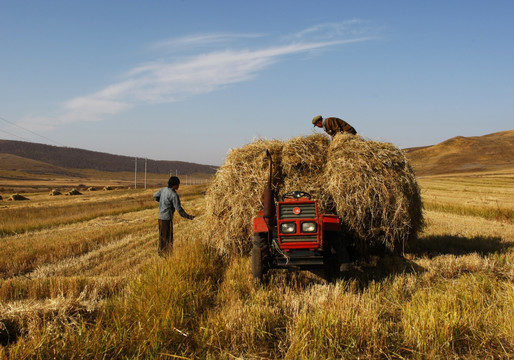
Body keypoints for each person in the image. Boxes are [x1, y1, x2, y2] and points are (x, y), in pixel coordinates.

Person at [153, 176, 195, 256]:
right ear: (174, 185)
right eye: (178, 184)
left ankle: (161, 253)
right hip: (167, 218)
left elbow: (155, 196)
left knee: (162, 236)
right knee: (168, 238)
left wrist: (161, 201)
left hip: (160, 217)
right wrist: (189, 217)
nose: (179, 186)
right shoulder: (174, 195)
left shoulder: (163, 190)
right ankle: (166, 255)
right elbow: (179, 209)